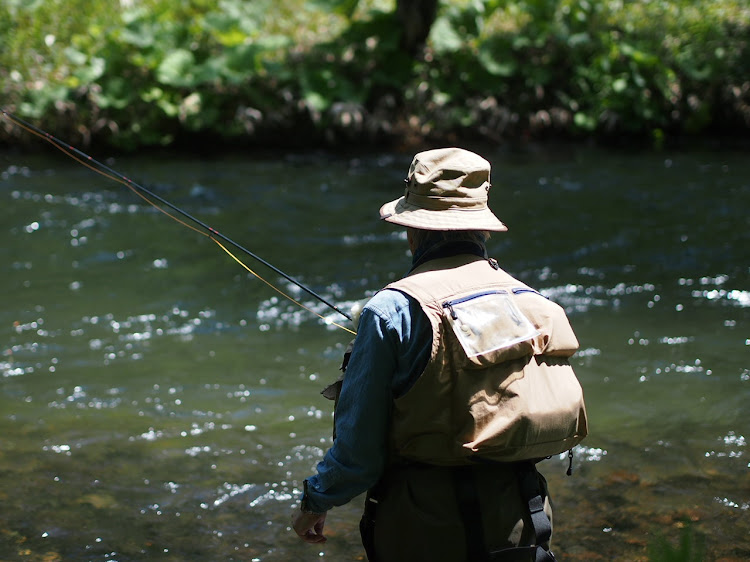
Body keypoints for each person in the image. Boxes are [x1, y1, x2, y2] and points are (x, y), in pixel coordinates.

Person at [292, 147, 587, 561]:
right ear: (482, 229)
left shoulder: (392, 310)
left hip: (427, 524)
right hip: (524, 517)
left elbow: (359, 450)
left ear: (412, 230)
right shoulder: (533, 302)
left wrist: (315, 501)